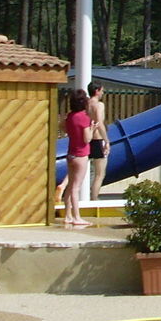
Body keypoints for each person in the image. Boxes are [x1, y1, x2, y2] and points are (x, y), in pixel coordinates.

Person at [62, 89, 93, 227]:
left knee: (70, 186)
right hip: (81, 155)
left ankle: (67, 215)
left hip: (71, 153)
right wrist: (92, 128)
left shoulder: (70, 116)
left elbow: (63, 127)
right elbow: (87, 139)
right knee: (76, 187)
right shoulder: (84, 117)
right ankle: (77, 217)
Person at [87, 83, 111, 200]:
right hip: (97, 138)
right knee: (100, 174)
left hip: (87, 138)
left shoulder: (86, 103)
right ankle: (94, 198)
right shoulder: (99, 105)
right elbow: (99, 122)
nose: (102, 93)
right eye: (101, 91)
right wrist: (106, 140)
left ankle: (64, 186)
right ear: (97, 91)